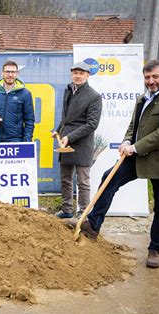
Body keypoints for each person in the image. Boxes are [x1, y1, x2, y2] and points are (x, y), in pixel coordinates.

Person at [68, 59, 159, 269]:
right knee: (109, 178)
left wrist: (135, 147)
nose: (151, 81)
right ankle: (93, 226)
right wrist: (126, 140)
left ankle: (155, 249)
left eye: (155, 77)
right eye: (147, 77)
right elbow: (134, 125)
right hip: (139, 154)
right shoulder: (142, 98)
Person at [53, 61, 102, 219]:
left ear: (88, 75)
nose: (78, 76)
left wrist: (69, 136)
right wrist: (59, 130)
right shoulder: (68, 90)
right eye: (75, 73)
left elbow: (92, 124)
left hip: (82, 144)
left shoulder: (94, 96)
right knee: (65, 179)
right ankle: (67, 210)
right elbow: (66, 117)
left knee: (83, 182)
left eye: (81, 73)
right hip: (65, 141)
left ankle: (83, 214)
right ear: (71, 74)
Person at [0, 60, 35, 142]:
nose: (10, 75)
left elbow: (29, 120)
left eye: (13, 72)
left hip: (16, 141)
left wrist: (26, 141)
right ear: (2, 73)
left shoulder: (25, 93)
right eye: (7, 72)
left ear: (17, 74)